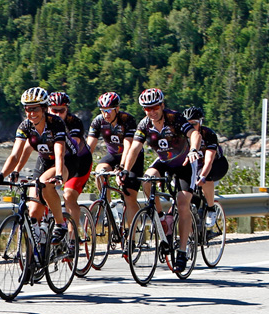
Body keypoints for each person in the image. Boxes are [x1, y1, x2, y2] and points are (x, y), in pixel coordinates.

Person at [122, 88, 202, 272]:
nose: (152, 111)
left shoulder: (175, 118)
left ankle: (182, 251)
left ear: (162, 105)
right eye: (147, 108)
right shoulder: (144, 125)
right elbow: (134, 148)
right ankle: (161, 220)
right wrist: (125, 170)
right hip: (164, 161)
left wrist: (194, 150)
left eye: (155, 107)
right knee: (147, 180)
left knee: (182, 204)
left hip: (184, 163)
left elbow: (194, 134)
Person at [0, 87, 69, 244]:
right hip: (45, 162)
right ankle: (37, 253)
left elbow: (59, 152)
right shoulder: (25, 126)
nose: (31, 113)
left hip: (65, 162)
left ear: (44, 109)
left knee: (44, 183)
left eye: (35, 109)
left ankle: (61, 224)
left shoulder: (55, 123)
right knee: (33, 211)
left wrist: (59, 174)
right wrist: (1, 175)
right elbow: (15, 155)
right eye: (28, 109)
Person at [86, 91, 141, 229]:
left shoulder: (127, 120)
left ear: (117, 109)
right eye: (103, 111)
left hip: (132, 157)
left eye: (109, 110)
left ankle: (131, 236)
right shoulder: (98, 121)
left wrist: (122, 167)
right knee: (99, 173)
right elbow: (89, 147)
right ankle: (109, 207)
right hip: (113, 155)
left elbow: (128, 146)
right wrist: (81, 165)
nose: (106, 114)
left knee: (129, 196)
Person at [47, 91, 92, 239]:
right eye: (54, 110)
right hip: (58, 162)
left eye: (62, 110)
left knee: (69, 196)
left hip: (79, 162)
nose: (58, 113)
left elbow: (73, 145)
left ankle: (72, 238)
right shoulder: (45, 121)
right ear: (48, 109)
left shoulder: (75, 122)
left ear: (67, 110)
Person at [183, 106, 229, 227]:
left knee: (206, 178)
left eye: (194, 123)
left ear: (200, 122)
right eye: (188, 124)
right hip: (196, 165)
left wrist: (202, 176)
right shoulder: (181, 136)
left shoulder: (208, 134)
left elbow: (209, 160)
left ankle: (211, 208)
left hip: (217, 164)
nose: (191, 126)